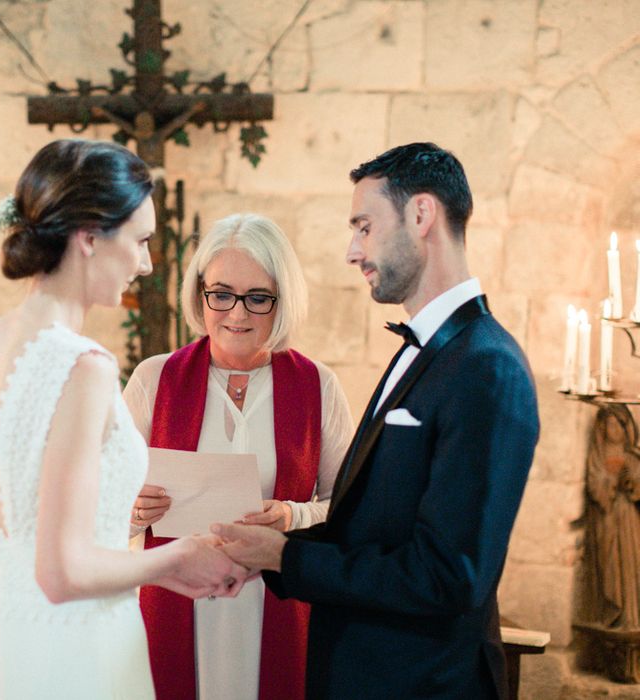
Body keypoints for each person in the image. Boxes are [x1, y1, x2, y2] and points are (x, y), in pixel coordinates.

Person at [213, 143, 540, 699]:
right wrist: (276, 545)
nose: (351, 250)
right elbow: (376, 530)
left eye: (364, 227)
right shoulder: (423, 350)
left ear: (420, 215)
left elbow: (448, 577)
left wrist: (288, 557)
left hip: (423, 683)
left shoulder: (487, 367)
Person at [0, 139, 246, 700]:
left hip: (13, 641)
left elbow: (42, 546)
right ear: (90, 237)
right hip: (79, 650)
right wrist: (179, 552)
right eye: (139, 241)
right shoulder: (82, 367)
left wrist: (164, 573)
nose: (147, 263)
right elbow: (63, 573)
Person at [123, 213, 354, 700]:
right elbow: (96, 512)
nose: (237, 314)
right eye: (221, 294)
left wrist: (292, 515)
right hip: (174, 604)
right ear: (200, 292)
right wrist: (133, 510)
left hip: (275, 606)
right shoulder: (153, 380)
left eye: (258, 298)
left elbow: (350, 512)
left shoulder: (318, 387)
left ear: (282, 299)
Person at [583, 404, 640, 629]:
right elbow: (595, 485)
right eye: (610, 424)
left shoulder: (633, 456)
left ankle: (631, 617)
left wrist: (630, 480)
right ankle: (612, 612)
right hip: (607, 519)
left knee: (631, 563)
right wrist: (610, 481)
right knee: (610, 568)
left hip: (629, 519)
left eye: (618, 424)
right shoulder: (597, 456)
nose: (614, 429)